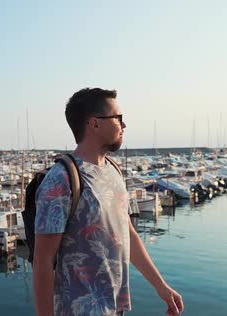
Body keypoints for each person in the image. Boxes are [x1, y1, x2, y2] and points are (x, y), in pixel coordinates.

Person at [33, 88, 184, 316]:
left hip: (115, 308)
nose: (124, 126)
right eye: (118, 118)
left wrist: (160, 286)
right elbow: (42, 261)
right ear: (94, 124)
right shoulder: (62, 179)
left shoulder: (113, 170)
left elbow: (127, 234)